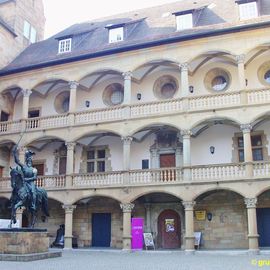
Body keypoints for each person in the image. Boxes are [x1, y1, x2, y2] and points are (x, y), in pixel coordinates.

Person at [12, 145, 38, 211]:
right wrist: (15, 152)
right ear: (26, 160)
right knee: (16, 190)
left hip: (30, 183)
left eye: (30, 159)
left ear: (31, 161)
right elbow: (17, 161)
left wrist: (27, 179)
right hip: (24, 183)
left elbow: (35, 178)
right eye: (28, 159)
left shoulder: (34, 169)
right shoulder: (23, 167)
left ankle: (33, 205)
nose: (29, 160)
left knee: (32, 192)